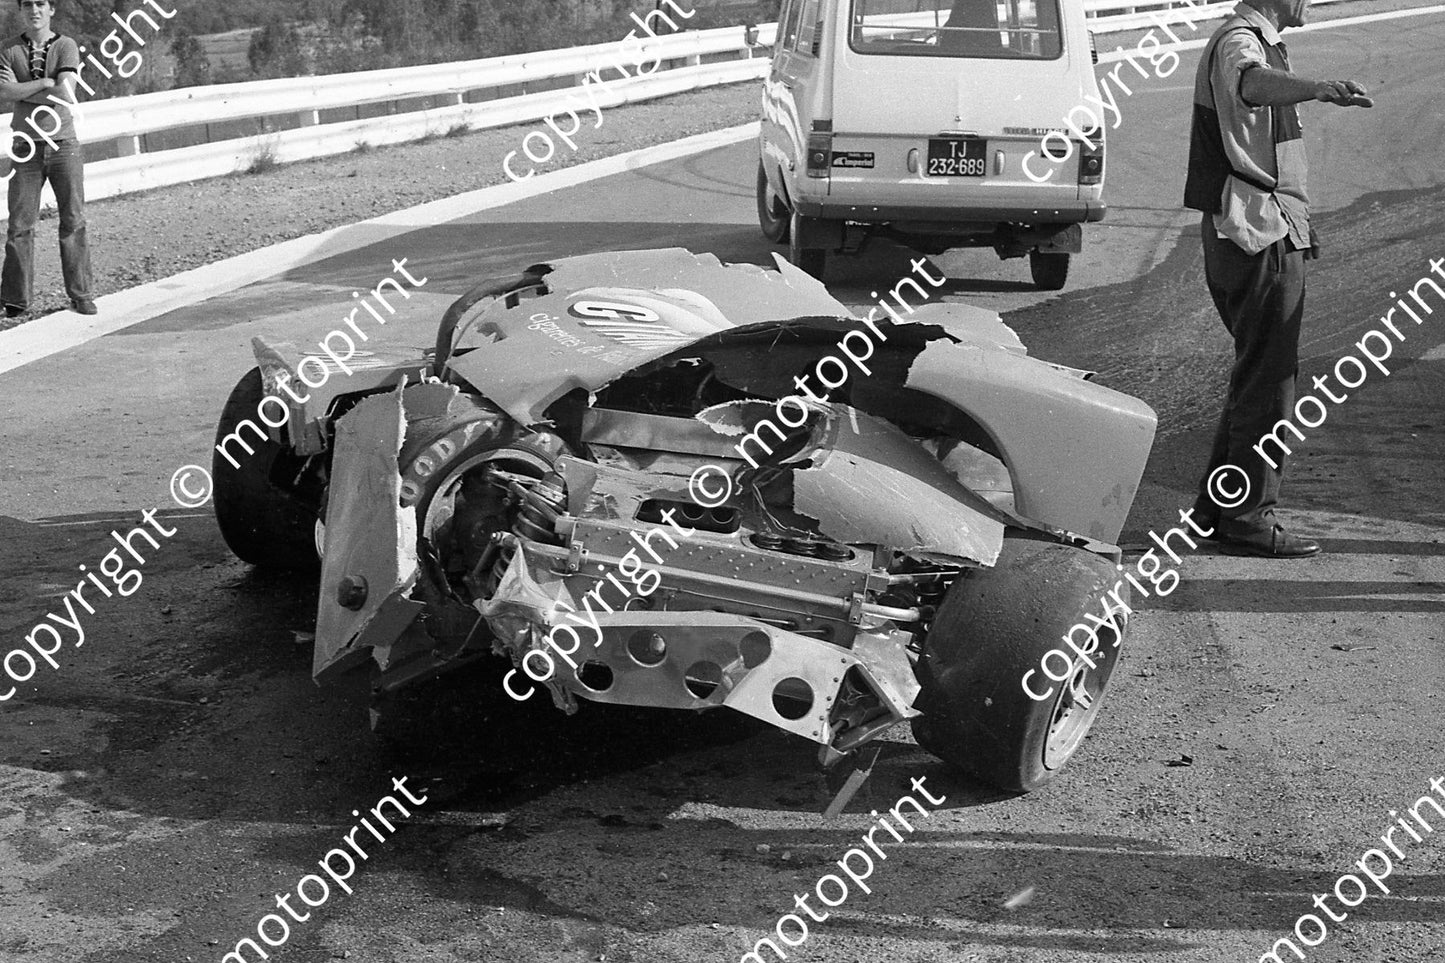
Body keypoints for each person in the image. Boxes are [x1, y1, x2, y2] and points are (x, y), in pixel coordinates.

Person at [1183, 0, 1370, 558]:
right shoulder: (1241, 40)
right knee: (1271, 382)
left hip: (1256, 226)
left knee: (1257, 374)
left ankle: (1216, 511)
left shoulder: (1253, 38)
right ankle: (1247, 516)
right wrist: (1317, 87)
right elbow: (1252, 84)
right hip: (1256, 229)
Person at [0, 0, 93, 317]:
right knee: (19, 224)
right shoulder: (7, 49)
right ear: (21, 11)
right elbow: (2, 91)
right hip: (25, 146)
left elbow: (66, 93)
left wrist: (21, 89)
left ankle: (81, 294)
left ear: (52, 9)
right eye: (28, 4)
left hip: (63, 142)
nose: (34, 10)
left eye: (41, 3)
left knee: (73, 219)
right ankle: (15, 300)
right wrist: (42, 82)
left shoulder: (66, 46)